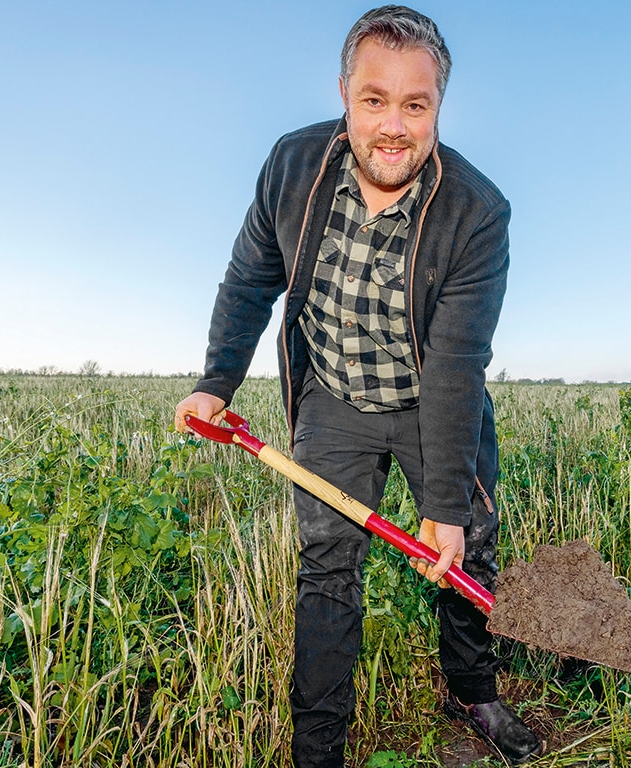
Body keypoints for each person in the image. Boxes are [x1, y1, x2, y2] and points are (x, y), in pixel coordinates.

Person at [174, 6, 541, 766]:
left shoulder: (478, 212)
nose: (394, 126)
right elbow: (250, 281)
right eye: (375, 100)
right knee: (328, 566)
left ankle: (472, 692)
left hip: (431, 403)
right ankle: (319, 747)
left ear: (439, 104)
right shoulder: (291, 166)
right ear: (344, 93)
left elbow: (456, 362)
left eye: (417, 104)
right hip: (334, 400)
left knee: (468, 551)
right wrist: (217, 383)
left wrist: (442, 508)